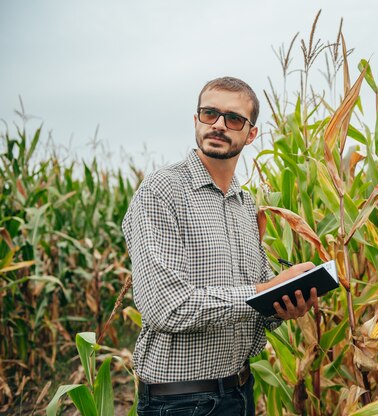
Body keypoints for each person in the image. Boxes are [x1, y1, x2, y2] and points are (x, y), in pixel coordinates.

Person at [122, 76, 318, 415]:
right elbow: (165, 307)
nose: (219, 125)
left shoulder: (245, 203)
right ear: (196, 120)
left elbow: (255, 301)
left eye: (234, 119)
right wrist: (264, 290)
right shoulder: (161, 191)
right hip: (181, 401)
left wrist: (283, 304)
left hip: (239, 390)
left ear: (251, 133)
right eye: (209, 113)